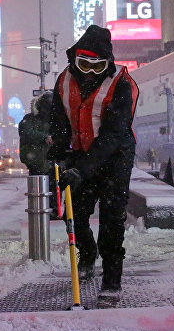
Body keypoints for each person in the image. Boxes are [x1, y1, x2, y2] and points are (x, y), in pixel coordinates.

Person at [48, 24, 139, 301]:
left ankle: (111, 280)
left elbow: (113, 135)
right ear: (74, 58)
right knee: (75, 214)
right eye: (83, 64)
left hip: (115, 159)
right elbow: (60, 121)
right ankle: (87, 256)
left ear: (107, 64)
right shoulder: (63, 81)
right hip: (79, 154)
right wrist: (60, 155)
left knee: (112, 221)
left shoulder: (123, 85)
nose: (88, 72)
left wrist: (83, 169)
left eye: (96, 67)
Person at [18, 91, 60, 215]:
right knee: (41, 192)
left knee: (53, 189)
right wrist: (44, 137)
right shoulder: (30, 119)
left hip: (49, 162)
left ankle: (53, 212)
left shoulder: (53, 119)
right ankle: (44, 213)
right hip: (38, 162)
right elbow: (26, 132)